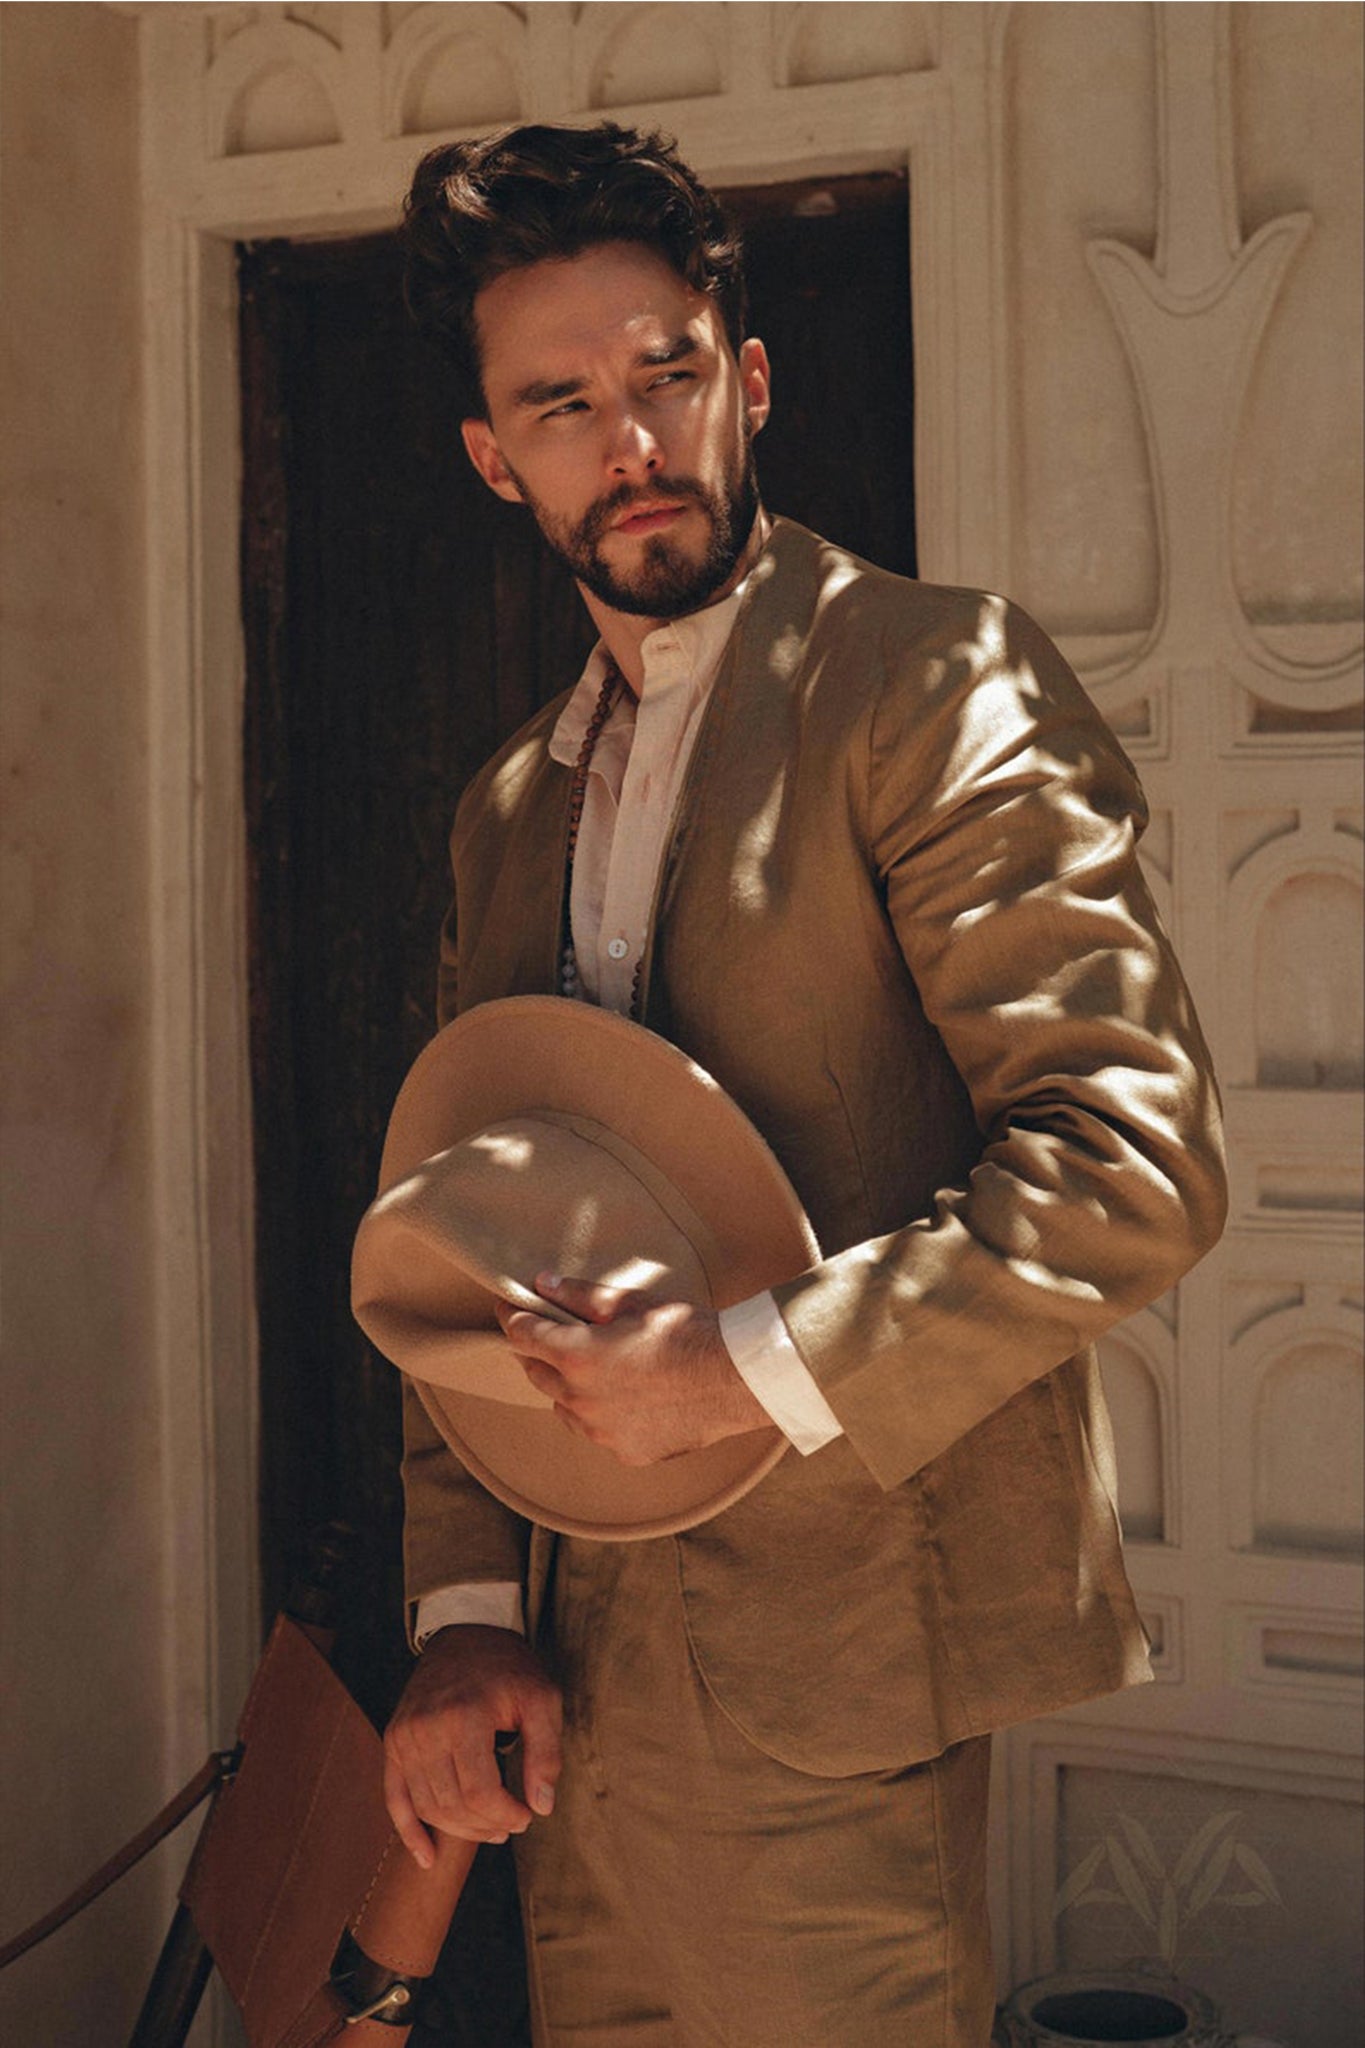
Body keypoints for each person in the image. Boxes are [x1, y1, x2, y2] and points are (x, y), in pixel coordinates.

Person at [378, 122, 1226, 2047]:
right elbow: (462, 1221)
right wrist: (461, 1613)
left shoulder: (932, 683)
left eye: (668, 373)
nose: (632, 440)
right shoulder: (506, 807)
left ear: (745, 382)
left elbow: (1132, 1164)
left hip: (840, 1662)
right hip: (561, 1696)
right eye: (562, 403)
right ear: (493, 458)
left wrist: (744, 1362)